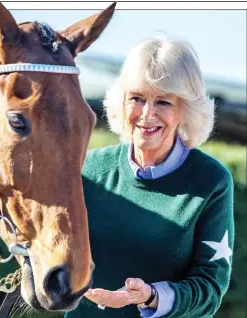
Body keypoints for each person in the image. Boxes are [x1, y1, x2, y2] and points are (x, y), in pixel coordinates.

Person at [66, 37, 234, 318]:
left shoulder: (212, 182)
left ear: (186, 109)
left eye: (163, 102)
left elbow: (211, 288)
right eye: (137, 98)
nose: (147, 114)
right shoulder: (87, 169)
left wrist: (150, 296)